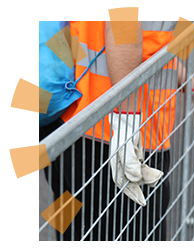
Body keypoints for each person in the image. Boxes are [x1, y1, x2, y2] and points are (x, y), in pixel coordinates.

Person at [40, 21, 184, 241]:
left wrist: (188, 79)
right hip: (114, 131)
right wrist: (126, 123)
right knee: (135, 230)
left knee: (74, 221)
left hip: (67, 113)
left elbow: (154, 37)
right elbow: (123, 21)